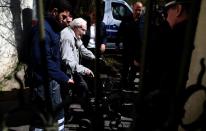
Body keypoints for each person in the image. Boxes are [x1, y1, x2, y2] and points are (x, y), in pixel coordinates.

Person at [140, 0, 193, 130]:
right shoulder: (190, 32)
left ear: (178, 9)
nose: (165, 16)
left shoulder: (173, 34)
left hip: (160, 97)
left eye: (168, 12)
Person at [27, 0, 74, 130]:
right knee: (43, 117)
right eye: (63, 17)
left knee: (53, 115)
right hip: (43, 83)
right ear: (54, 12)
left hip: (52, 81)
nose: (67, 20)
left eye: (68, 17)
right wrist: (64, 78)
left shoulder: (54, 28)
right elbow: (42, 60)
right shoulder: (43, 31)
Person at [60, 18, 95, 111]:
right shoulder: (67, 37)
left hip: (72, 70)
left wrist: (94, 57)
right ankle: (65, 116)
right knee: (70, 93)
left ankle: (87, 111)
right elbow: (67, 61)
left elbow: (82, 48)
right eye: (83, 30)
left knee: (82, 88)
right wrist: (84, 69)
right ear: (76, 27)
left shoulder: (75, 34)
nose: (84, 33)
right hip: (65, 71)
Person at [116, 1, 144, 90]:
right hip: (127, 49)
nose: (138, 12)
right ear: (132, 8)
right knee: (125, 67)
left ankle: (130, 84)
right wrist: (117, 43)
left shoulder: (143, 20)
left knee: (134, 68)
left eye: (140, 10)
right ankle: (122, 83)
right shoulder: (126, 19)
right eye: (136, 10)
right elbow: (120, 31)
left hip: (137, 50)